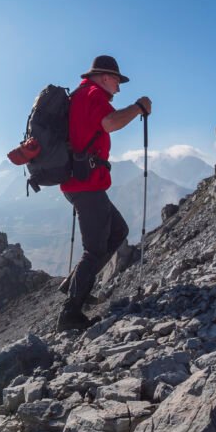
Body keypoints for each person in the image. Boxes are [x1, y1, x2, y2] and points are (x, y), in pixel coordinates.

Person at [56, 54, 152, 332]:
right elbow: (110, 123)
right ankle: (70, 313)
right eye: (118, 81)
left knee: (118, 231)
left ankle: (75, 285)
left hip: (83, 182)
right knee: (96, 248)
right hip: (86, 185)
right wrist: (138, 108)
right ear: (106, 76)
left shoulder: (79, 96)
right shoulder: (94, 93)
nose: (119, 88)